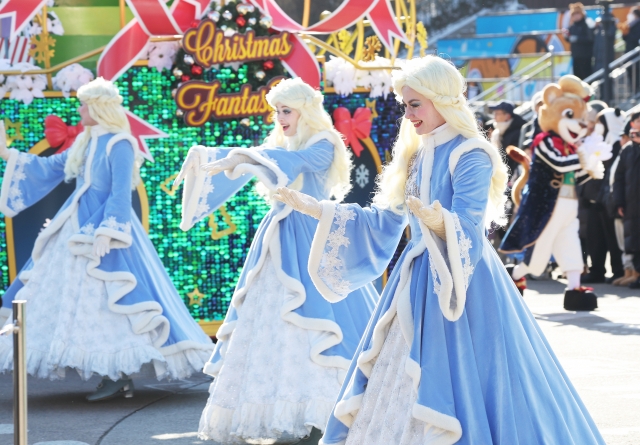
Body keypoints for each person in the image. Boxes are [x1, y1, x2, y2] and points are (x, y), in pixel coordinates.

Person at [275, 56, 605, 445]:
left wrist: (438, 222)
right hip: (415, 279)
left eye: (415, 104)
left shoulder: (471, 153)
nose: (408, 114)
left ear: (442, 100)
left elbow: (468, 224)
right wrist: (323, 210)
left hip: (465, 283)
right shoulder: (416, 155)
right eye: (405, 105)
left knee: (477, 379)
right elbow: (387, 220)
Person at [173, 77, 378, 444]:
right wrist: (219, 156)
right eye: (276, 111)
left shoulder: (324, 142)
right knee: (272, 324)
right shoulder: (284, 141)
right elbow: (266, 158)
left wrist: (242, 157)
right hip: (280, 237)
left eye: (286, 110)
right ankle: (289, 414)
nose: (280, 118)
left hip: (312, 238)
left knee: (315, 323)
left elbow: (291, 161)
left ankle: (320, 416)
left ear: (304, 110)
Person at [0, 77, 214, 401]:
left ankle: (120, 374)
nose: (80, 110)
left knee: (116, 300)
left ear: (98, 107)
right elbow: (50, 166)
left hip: (106, 231)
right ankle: (112, 375)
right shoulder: (86, 141)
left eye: (84, 104)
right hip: (74, 228)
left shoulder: (120, 143)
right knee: (84, 302)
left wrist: (108, 231)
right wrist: (7, 154)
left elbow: (119, 193)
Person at [579, 107, 626, 283]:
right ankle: (597, 270)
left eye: (600, 122)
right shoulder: (597, 141)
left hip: (607, 200)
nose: (597, 126)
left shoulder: (616, 144)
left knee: (612, 239)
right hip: (592, 198)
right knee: (594, 238)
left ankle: (618, 271)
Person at [613, 111, 640, 289]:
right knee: (635, 240)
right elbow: (619, 178)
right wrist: (619, 202)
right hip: (632, 203)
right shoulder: (628, 150)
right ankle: (636, 273)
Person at [489, 100, 526, 174]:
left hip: (510, 176)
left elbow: (513, 160)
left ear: (507, 116)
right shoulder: (497, 132)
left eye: (497, 113)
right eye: (494, 113)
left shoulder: (518, 132)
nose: (494, 116)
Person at [566, 2, 594, 80]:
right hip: (576, 56)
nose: (576, 16)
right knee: (577, 78)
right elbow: (569, 37)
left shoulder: (587, 23)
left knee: (587, 77)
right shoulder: (573, 25)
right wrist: (566, 36)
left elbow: (590, 38)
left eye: (577, 14)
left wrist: (577, 39)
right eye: (574, 14)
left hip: (585, 56)